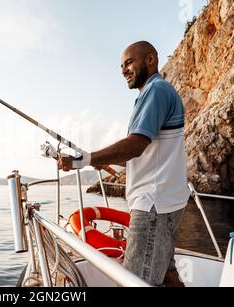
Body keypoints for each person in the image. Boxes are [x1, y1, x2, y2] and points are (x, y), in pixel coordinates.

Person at [58, 41, 190, 287]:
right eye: (121, 65)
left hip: (153, 204)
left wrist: (85, 160)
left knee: (132, 282)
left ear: (150, 60)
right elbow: (146, 152)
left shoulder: (156, 90)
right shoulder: (153, 93)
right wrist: (105, 160)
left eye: (129, 62)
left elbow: (136, 144)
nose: (123, 70)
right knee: (166, 274)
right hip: (166, 201)